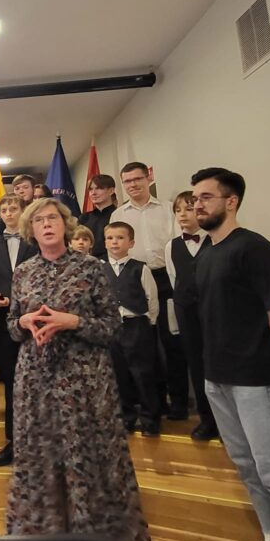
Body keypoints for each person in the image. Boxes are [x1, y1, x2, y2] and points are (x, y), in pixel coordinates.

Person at [5, 198, 151, 541]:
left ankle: (92, 538)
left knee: (86, 452)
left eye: (52, 218)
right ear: (30, 229)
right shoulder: (23, 272)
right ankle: (45, 533)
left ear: (65, 224)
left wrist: (73, 322)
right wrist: (24, 321)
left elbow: (112, 326)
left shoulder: (91, 268)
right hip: (36, 378)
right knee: (41, 453)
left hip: (84, 379)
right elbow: (11, 326)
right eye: (39, 220)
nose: (46, 224)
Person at [192, 167, 270, 541]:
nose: (197, 204)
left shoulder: (255, 249)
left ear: (231, 201)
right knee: (247, 466)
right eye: (194, 198)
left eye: (206, 197)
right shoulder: (207, 253)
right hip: (218, 377)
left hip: (257, 377)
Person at [111, 161, 187, 421]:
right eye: (127, 181)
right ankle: (153, 403)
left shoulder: (167, 209)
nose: (133, 185)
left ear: (148, 178)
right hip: (133, 280)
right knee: (143, 349)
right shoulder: (118, 214)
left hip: (165, 278)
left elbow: (178, 244)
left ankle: (178, 403)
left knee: (171, 342)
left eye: (137, 179)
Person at [0, 194, 37, 466]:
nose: (9, 213)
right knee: (12, 381)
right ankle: (14, 442)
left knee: (38, 381)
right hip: (4, 322)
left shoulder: (35, 241)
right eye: (5, 209)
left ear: (23, 211)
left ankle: (41, 444)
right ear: (0, 214)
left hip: (36, 320)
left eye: (14, 208)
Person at [164, 191, 218, 441]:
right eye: (178, 211)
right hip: (187, 312)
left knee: (219, 364)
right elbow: (175, 279)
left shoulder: (215, 240)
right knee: (196, 365)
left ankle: (226, 422)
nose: (183, 215)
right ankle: (207, 420)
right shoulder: (172, 246)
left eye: (187, 209)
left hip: (214, 310)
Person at [104, 221, 161, 436]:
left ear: (131, 243)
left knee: (142, 373)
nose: (114, 242)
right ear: (105, 242)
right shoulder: (100, 269)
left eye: (120, 238)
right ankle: (126, 417)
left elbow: (151, 298)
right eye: (110, 238)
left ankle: (150, 419)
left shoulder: (140, 268)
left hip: (137, 325)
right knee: (119, 374)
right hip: (112, 328)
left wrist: (149, 322)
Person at [79, 174, 118, 260]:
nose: (93, 193)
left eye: (99, 188)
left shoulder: (119, 215)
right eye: (90, 189)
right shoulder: (84, 218)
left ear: (111, 191)